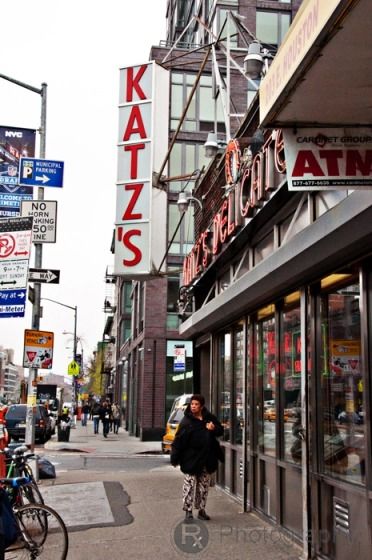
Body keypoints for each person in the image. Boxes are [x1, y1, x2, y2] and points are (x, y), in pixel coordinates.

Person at [171, 394, 224, 521]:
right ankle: (188, 511)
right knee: (189, 484)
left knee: (204, 485)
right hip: (191, 458)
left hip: (206, 457)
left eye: (196, 404)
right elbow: (178, 441)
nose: (193, 406)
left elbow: (220, 430)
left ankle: (201, 510)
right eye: (192, 404)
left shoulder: (209, 418)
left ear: (201, 406)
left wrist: (213, 428)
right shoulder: (186, 421)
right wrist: (175, 458)